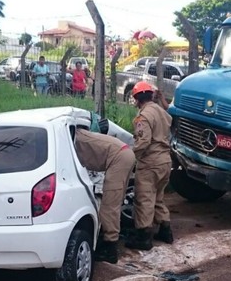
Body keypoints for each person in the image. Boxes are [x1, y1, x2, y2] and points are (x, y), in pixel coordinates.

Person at [74, 127, 135, 263]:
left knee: (109, 206)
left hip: (119, 158)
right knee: (114, 202)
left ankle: (110, 249)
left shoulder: (71, 139)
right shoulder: (77, 133)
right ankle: (110, 239)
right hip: (124, 154)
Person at [126, 81, 173, 251]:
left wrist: (129, 156)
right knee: (158, 197)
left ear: (137, 99)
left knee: (144, 198)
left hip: (150, 163)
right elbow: (171, 119)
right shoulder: (161, 111)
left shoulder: (143, 116)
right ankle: (165, 230)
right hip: (165, 161)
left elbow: (144, 141)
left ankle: (144, 236)